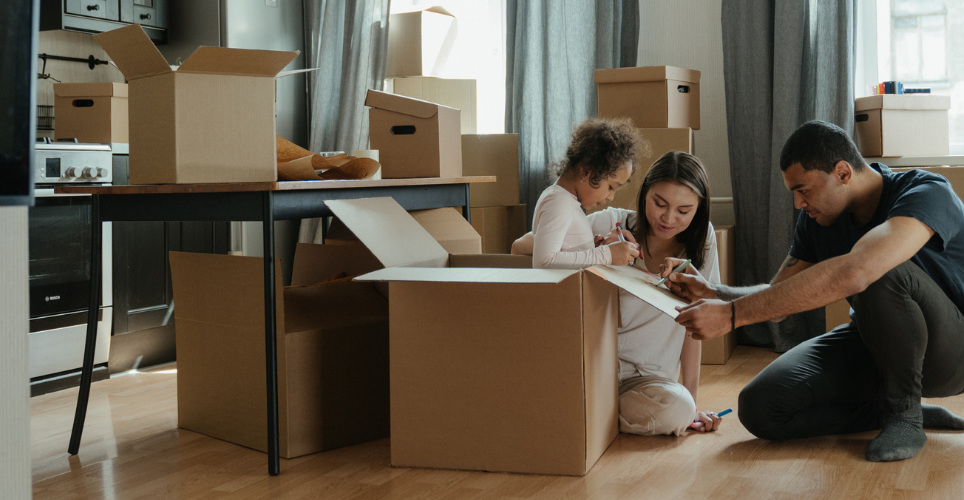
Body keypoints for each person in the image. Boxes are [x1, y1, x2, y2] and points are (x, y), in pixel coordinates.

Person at [667, 120, 964, 461]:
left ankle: (904, 416)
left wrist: (732, 316)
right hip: (875, 344)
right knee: (761, 407)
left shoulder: (927, 191)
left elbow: (861, 270)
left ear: (842, 173)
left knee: (879, 268)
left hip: (952, 353)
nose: (797, 203)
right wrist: (715, 293)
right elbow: (778, 297)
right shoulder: (817, 220)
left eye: (803, 190)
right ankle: (887, 410)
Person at [514, 149, 724, 435]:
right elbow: (521, 247)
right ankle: (589, 412)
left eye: (684, 211)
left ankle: (586, 414)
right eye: (659, 204)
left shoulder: (703, 243)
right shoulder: (609, 222)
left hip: (648, 381)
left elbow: (694, 326)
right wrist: (597, 250)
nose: (668, 218)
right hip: (595, 368)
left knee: (680, 410)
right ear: (644, 194)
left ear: (698, 210)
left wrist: (694, 404)